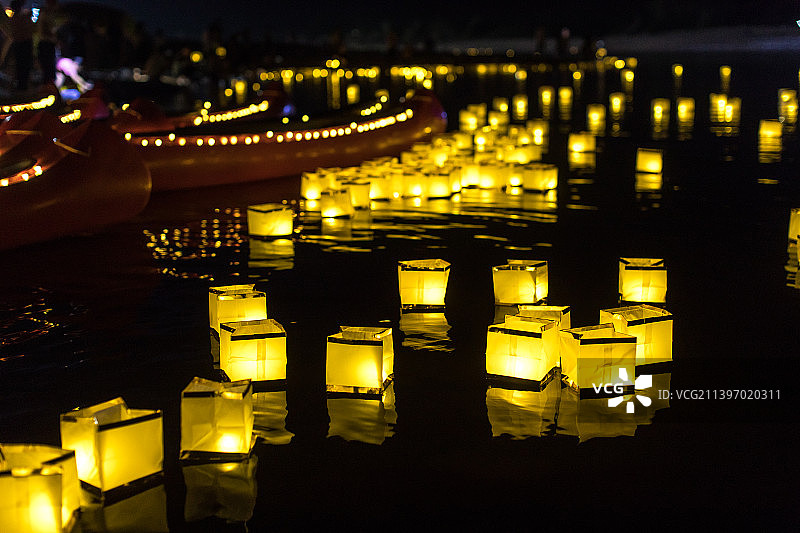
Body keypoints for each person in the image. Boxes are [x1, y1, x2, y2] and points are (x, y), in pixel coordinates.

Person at [9, 0, 34, 90]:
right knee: (24, 65)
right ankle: (23, 86)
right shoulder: (21, 18)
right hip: (24, 44)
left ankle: (21, 85)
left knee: (20, 66)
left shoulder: (13, 18)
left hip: (18, 44)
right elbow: (28, 30)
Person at [36, 0, 61, 86]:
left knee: (48, 69)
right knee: (48, 69)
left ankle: (47, 88)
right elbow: (45, 30)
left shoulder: (46, 14)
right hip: (46, 44)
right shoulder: (46, 14)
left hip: (46, 44)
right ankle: (48, 90)